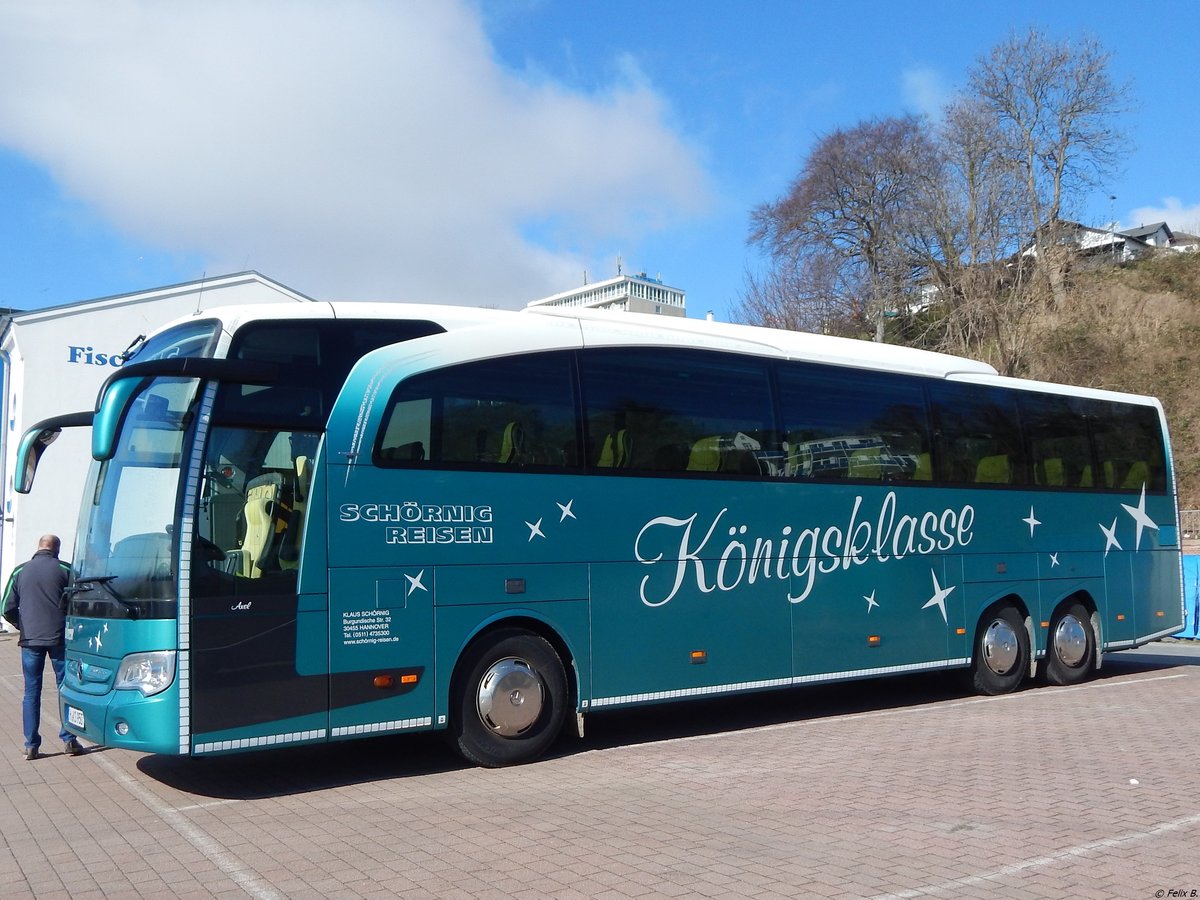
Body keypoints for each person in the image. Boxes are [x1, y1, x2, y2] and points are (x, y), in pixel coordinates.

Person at [1, 534, 83, 760]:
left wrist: (22, 625)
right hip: (59, 639)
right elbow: (77, 603)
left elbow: (6, 607)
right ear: (57, 549)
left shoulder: (20, 571)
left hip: (30, 641)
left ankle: (31, 744)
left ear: (38, 547)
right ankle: (69, 739)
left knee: (31, 692)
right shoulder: (66, 569)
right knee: (65, 688)